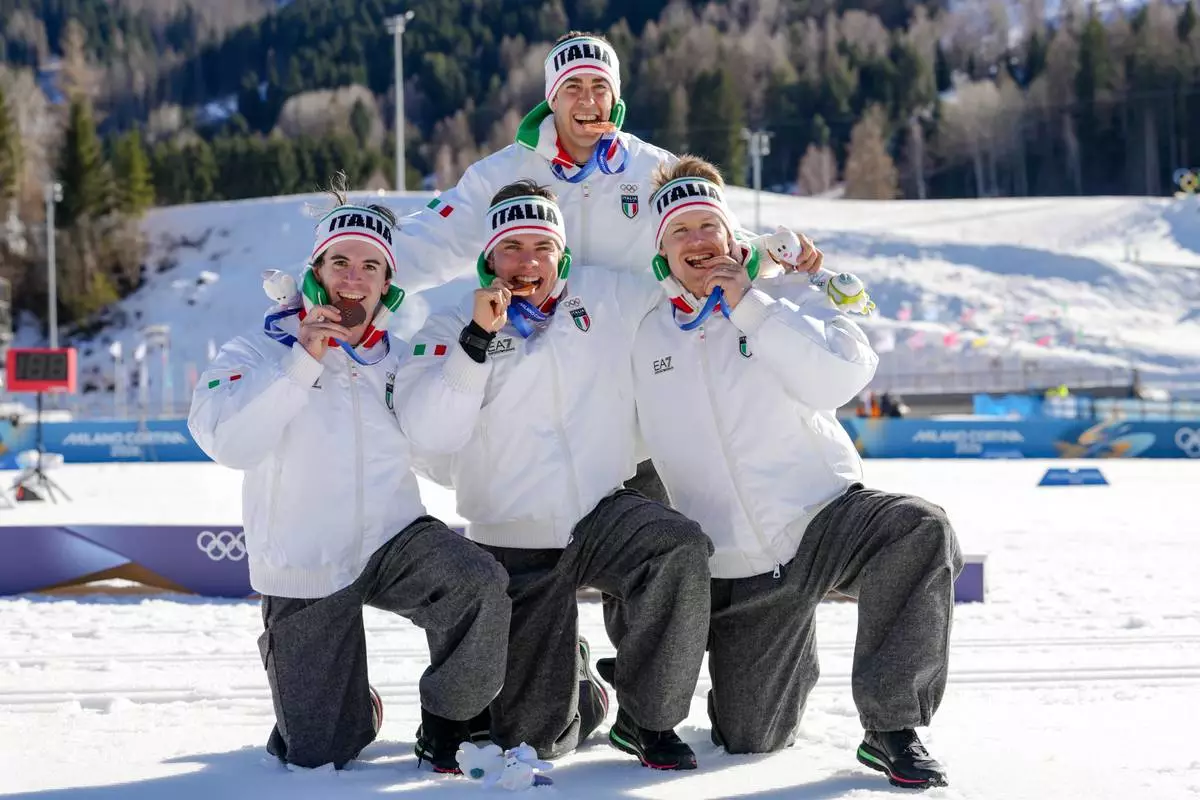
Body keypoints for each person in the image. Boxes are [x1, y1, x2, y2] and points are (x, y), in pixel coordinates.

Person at [616, 156, 963, 789]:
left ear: (731, 236)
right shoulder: (643, 337)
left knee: (919, 528)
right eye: (680, 232)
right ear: (661, 250)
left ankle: (891, 726)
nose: (698, 242)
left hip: (825, 515)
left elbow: (840, 377)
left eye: (708, 227)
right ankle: (782, 647)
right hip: (739, 565)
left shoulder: (780, 296)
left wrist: (753, 306)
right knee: (751, 736)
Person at [187, 184, 512, 774]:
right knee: (318, 752)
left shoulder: (397, 356)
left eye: (371, 265)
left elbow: (436, 437)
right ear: (316, 270)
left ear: (388, 282)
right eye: (340, 261)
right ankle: (345, 704)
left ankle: (449, 721)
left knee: (476, 581)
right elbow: (229, 443)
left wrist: (472, 349)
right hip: (305, 554)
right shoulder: (257, 349)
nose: (354, 278)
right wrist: (300, 362)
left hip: (393, 536)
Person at [393, 179, 713, 770]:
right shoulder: (447, 325)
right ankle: (583, 694)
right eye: (511, 248)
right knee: (534, 739)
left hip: (600, 511)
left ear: (560, 254)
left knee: (678, 546)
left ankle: (649, 719)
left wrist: (763, 259)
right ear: (488, 259)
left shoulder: (606, 295)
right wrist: (476, 342)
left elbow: (687, 280)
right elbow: (430, 434)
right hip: (515, 538)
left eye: (541, 246)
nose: (527, 262)